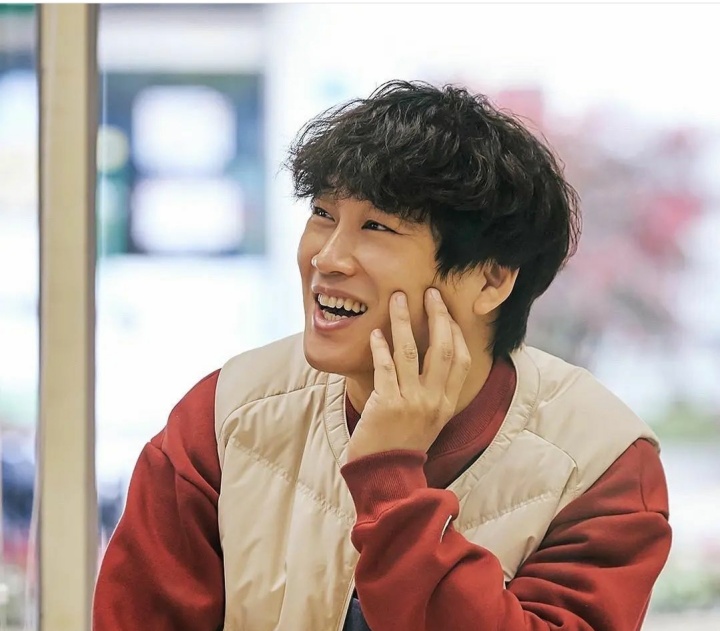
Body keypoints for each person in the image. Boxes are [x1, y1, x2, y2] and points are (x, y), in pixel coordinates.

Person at [92, 80, 671, 631]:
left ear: (491, 279)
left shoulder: (600, 462)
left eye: (377, 227)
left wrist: (390, 483)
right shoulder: (225, 416)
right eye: (322, 214)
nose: (328, 258)